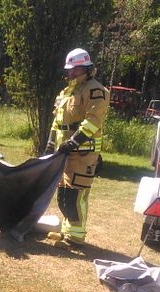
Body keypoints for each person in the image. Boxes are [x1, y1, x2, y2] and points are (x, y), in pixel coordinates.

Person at [43, 48, 109, 249]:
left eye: (75, 70)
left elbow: (93, 122)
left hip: (83, 153)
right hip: (64, 153)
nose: (71, 73)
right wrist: (50, 145)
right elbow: (57, 122)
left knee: (75, 195)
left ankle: (76, 237)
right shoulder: (66, 92)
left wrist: (74, 142)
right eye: (70, 70)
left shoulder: (97, 91)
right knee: (63, 194)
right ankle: (67, 231)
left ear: (87, 69)